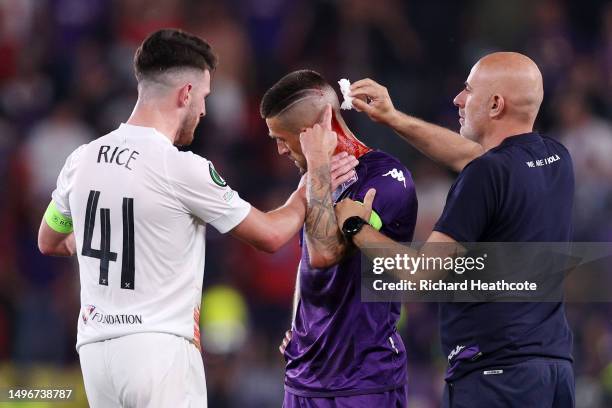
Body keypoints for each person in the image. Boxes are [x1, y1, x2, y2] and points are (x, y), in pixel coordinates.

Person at [37, 29, 357, 408]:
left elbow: (50, 239)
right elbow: (271, 235)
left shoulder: (82, 158)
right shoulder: (180, 168)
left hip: (95, 354)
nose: (204, 110)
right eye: (204, 96)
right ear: (185, 94)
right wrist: (313, 177)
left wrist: (94, 241)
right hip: (159, 352)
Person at [334, 52, 575, 407]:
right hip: (554, 370)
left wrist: (355, 225)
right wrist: (393, 118)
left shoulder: (486, 175)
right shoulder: (556, 157)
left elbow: (421, 277)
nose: (457, 99)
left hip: (494, 376)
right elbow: (469, 155)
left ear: (495, 104)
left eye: (468, 90)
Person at [260, 70, 418, 407]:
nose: (279, 150)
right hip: (304, 378)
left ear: (317, 129)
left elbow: (325, 253)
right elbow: (308, 264)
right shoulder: (317, 181)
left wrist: (317, 165)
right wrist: (298, 323)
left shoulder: (385, 178)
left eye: (283, 138)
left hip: (363, 381)